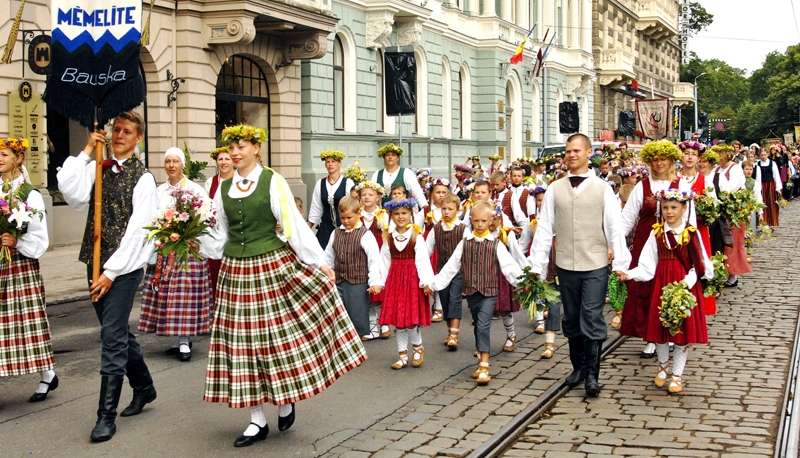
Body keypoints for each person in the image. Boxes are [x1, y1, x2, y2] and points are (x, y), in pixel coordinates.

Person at [200, 124, 366, 447]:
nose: (235, 153)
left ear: (256, 149)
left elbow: (294, 228)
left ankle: (286, 398)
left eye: (241, 146)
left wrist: (319, 262)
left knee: (275, 339)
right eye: (231, 148)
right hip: (235, 272)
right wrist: (195, 240)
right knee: (241, 345)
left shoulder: (272, 182)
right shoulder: (223, 188)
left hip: (269, 268)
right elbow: (220, 235)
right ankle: (256, 419)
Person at [57, 111, 160, 442]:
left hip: (125, 268)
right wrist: (88, 149)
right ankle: (144, 386)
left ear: (138, 138)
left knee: (112, 336)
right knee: (115, 331)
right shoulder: (97, 167)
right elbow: (69, 191)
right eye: (116, 130)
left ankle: (106, 416)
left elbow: (138, 232)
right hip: (94, 261)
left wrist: (111, 273)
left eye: (127, 131)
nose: (119, 135)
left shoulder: (143, 178)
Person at [529, 133, 630, 397]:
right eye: (568, 151)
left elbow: (614, 227)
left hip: (595, 262)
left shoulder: (603, 189)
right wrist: (537, 266)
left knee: (592, 317)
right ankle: (578, 367)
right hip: (565, 263)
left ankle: (593, 375)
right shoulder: (554, 188)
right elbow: (545, 229)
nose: (571, 155)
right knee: (571, 317)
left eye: (576, 150)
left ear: (588, 153)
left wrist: (620, 261)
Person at [617, 189, 713, 394]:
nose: (669, 212)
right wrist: (629, 274)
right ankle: (662, 367)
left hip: (684, 286)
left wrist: (687, 282)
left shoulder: (691, 233)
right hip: (662, 283)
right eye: (666, 207)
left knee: (681, 333)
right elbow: (647, 264)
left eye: (674, 207)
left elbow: (701, 264)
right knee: (660, 331)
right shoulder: (657, 232)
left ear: (684, 209)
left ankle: (677, 375)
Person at [425, 201, 523, 385]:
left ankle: (485, 366)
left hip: (489, 291)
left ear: (490, 221)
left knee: (484, 324)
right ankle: (480, 363)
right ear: (471, 220)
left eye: (483, 221)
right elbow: (451, 267)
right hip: (471, 292)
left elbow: (510, 267)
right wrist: (434, 283)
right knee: (478, 324)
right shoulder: (465, 243)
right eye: (476, 221)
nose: (479, 225)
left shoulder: (496, 244)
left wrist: (524, 283)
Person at [138, 147, 213, 362]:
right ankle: (181, 337)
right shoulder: (159, 191)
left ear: (182, 165)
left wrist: (193, 237)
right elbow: (152, 218)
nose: (171, 165)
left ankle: (184, 340)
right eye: (168, 161)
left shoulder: (194, 190)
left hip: (186, 250)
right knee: (168, 297)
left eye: (175, 161)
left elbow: (205, 216)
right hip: (165, 249)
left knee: (184, 297)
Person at [0, 137, 55, 402]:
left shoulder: (29, 194)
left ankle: (47, 374)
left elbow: (41, 238)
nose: (0, 159)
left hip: (21, 265)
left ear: (18, 159)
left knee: (28, 322)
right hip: (1, 264)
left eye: (5, 154)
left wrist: (17, 240)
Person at [619, 140, 681, 359]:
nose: (659, 163)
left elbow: (689, 217)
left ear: (670, 160)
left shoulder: (679, 185)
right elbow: (627, 220)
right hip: (645, 243)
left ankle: (671, 334)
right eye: (655, 159)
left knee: (668, 289)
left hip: (671, 245)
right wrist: (616, 245)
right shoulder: (642, 186)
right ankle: (651, 338)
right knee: (644, 290)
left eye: (663, 158)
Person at [379, 197, 434, 369]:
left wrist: (426, 282)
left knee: (410, 319)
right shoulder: (388, 236)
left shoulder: (416, 235)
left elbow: (422, 260)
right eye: (396, 214)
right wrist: (380, 282)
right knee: (398, 320)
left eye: (404, 213)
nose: (400, 217)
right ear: (391, 216)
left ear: (411, 214)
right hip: (395, 279)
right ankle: (402, 354)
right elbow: (384, 261)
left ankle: (418, 347)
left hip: (411, 279)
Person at [324, 196, 383, 338]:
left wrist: (375, 282)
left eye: (349, 217)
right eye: (342, 217)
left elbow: (374, 260)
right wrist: (325, 274)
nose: (345, 221)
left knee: (357, 318)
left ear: (359, 214)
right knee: (337, 317)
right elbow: (328, 257)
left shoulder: (366, 235)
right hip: (338, 282)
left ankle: (357, 348)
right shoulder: (335, 233)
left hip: (358, 283)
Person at [425, 192, 466, 349]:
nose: (446, 212)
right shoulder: (436, 229)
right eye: (444, 209)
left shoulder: (463, 229)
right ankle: (450, 332)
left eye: (450, 209)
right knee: (445, 302)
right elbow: (427, 250)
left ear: (458, 210)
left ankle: (454, 335)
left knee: (454, 299)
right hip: (441, 272)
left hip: (458, 272)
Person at [356, 181, 392, 340]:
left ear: (378, 197)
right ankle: (371, 328)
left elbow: (389, 236)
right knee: (366, 295)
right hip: (362, 257)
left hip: (380, 255)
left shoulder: (383, 215)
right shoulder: (357, 214)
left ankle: (384, 323)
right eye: (364, 195)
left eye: (370, 194)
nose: (367, 197)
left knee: (378, 294)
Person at [716, 145, 751, 287]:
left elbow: (729, 190)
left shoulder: (735, 169)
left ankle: (733, 274)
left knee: (733, 241)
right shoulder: (717, 169)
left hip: (733, 212)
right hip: (721, 210)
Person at [204, 146, 235, 301]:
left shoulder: (238, 180)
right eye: (220, 159)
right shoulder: (211, 182)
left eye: (227, 159)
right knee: (215, 268)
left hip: (233, 231)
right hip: (215, 231)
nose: (223, 162)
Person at [308, 150, 354, 249]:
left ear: (339, 163)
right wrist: (308, 227)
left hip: (343, 226)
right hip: (325, 227)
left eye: (333, 161)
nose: (330, 164)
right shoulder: (320, 183)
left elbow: (353, 206)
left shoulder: (347, 183)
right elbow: (316, 207)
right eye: (327, 162)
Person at [371, 144, 428, 208]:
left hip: (401, 213)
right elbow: (371, 196)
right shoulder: (376, 174)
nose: (390, 157)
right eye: (387, 155)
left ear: (398, 158)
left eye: (393, 155)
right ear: (384, 158)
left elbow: (418, 194)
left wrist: (425, 209)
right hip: (381, 214)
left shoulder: (406, 173)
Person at [754, 147, 782, 227]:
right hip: (761, 185)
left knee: (771, 203)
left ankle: (772, 223)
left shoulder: (772, 163)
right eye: (761, 155)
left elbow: (776, 176)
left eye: (765, 155)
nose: (763, 156)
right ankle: (763, 223)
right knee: (762, 203)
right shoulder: (757, 164)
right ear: (759, 156)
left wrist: (778, 188)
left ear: (767, 155)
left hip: (770, 185)